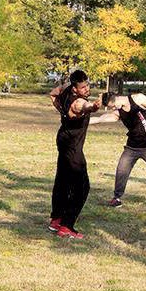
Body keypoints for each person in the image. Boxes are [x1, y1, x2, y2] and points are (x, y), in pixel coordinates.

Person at [89, 91, 146, 209]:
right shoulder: (118, 112)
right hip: (132, 148)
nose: (113, 108)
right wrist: (81, 121)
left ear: (115, 99)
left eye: (113, 106)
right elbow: (100, 119)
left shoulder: (138, 99)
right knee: (121, 170)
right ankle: (117, 198)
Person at [47, 70, 100, 238]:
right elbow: (84, 106)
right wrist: (94, 106)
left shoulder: (65, 91)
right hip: (72, 147)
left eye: (87, 85)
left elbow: (53, 94)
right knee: (82, 187)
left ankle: (56, 219)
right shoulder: (78, 102)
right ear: (76, 89)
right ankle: (66, 226)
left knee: (62, 181)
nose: (86, 89)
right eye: (83, 87)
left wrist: (61, 108)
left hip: (63, 138)